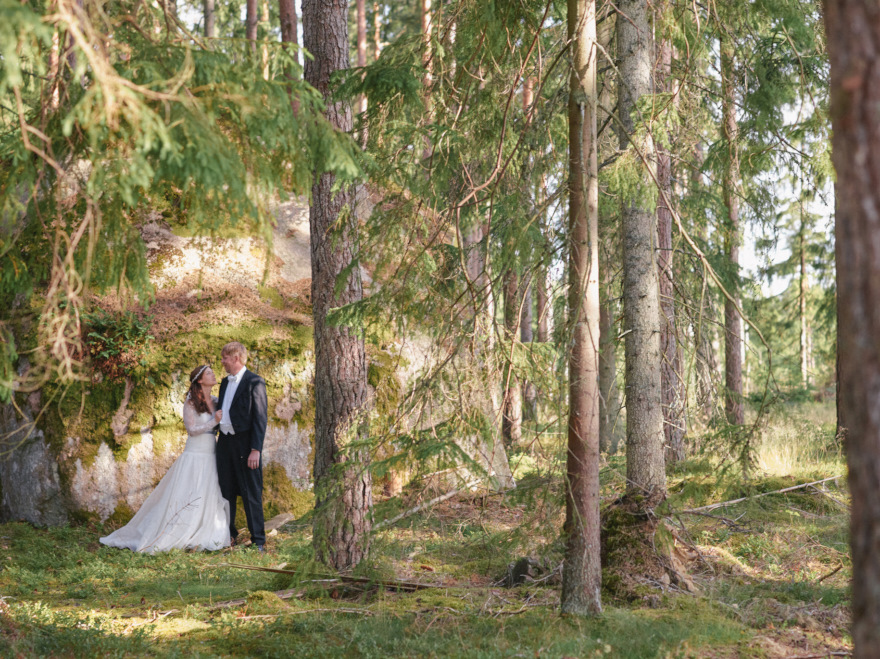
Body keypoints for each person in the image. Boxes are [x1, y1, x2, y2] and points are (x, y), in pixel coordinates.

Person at [100, 365, 231, 553]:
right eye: (209, 372)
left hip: (211, 454)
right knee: (188, 492)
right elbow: (191, 430)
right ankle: (175, 531)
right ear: (200, 380)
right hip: (194, 454)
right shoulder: (191, 402)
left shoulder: (216, 401)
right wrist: (214, 422)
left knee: (208, 491)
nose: (214, 374)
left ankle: (204, 531)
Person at [216, 341, 268, 551]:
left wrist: (256, 449)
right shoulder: (224, 382)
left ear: (236, 358)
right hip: (225, 444)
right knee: (226, 492)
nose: (222, 362)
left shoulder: (255, 382)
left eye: (225, 358)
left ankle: (259, 541)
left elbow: (260, 417)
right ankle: (229, 535)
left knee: (251, 493)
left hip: (246, 445)